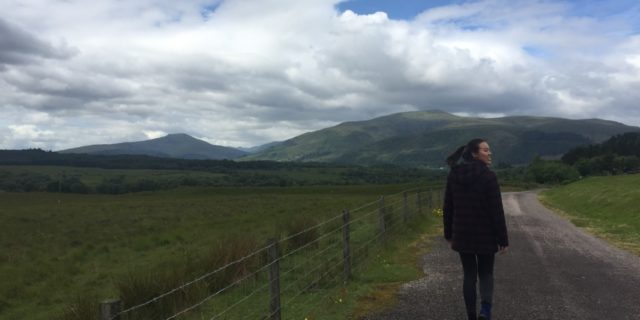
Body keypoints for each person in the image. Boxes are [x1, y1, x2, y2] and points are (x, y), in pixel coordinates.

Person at [443, 138, 509, 320]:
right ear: (474, 153)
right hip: (486, 235)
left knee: (469, 275)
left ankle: (471, 316)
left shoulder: (454, 175)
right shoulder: (489, 176)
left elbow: (448, 206)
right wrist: (503, 239)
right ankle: (485, 311)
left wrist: (448, 233)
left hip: (462, 234)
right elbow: (496, 210)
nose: (490, 153)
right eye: (486, 150)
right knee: (486, 273)